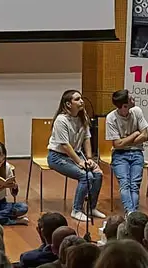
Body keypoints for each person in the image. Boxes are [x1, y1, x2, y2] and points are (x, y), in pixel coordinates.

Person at [48, 90, 105, 222]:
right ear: (68, 104)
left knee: (98, 174)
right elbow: (65, 145)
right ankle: (76, 210)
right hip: (58, 156)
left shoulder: (82, 116)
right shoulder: (61, 120)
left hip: (76, 154)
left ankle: (92, 207)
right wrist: (80, 162)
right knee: (86, 176)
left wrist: (90, 159)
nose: (82, 101)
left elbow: (86, 138)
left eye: (81, 98)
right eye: (77, 99)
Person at [104, 90, 148, 215]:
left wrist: (124, 141)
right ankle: (131, 213)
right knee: (125, 184)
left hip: (137, 153)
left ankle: (131, 214)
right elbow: (116, 145)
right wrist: (135, 134)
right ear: (124, 105)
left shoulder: (137, 111)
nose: (133, 98)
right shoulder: (111, 118)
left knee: (134, 184)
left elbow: (145, 136)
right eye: (130, 98)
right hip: (119, 155)